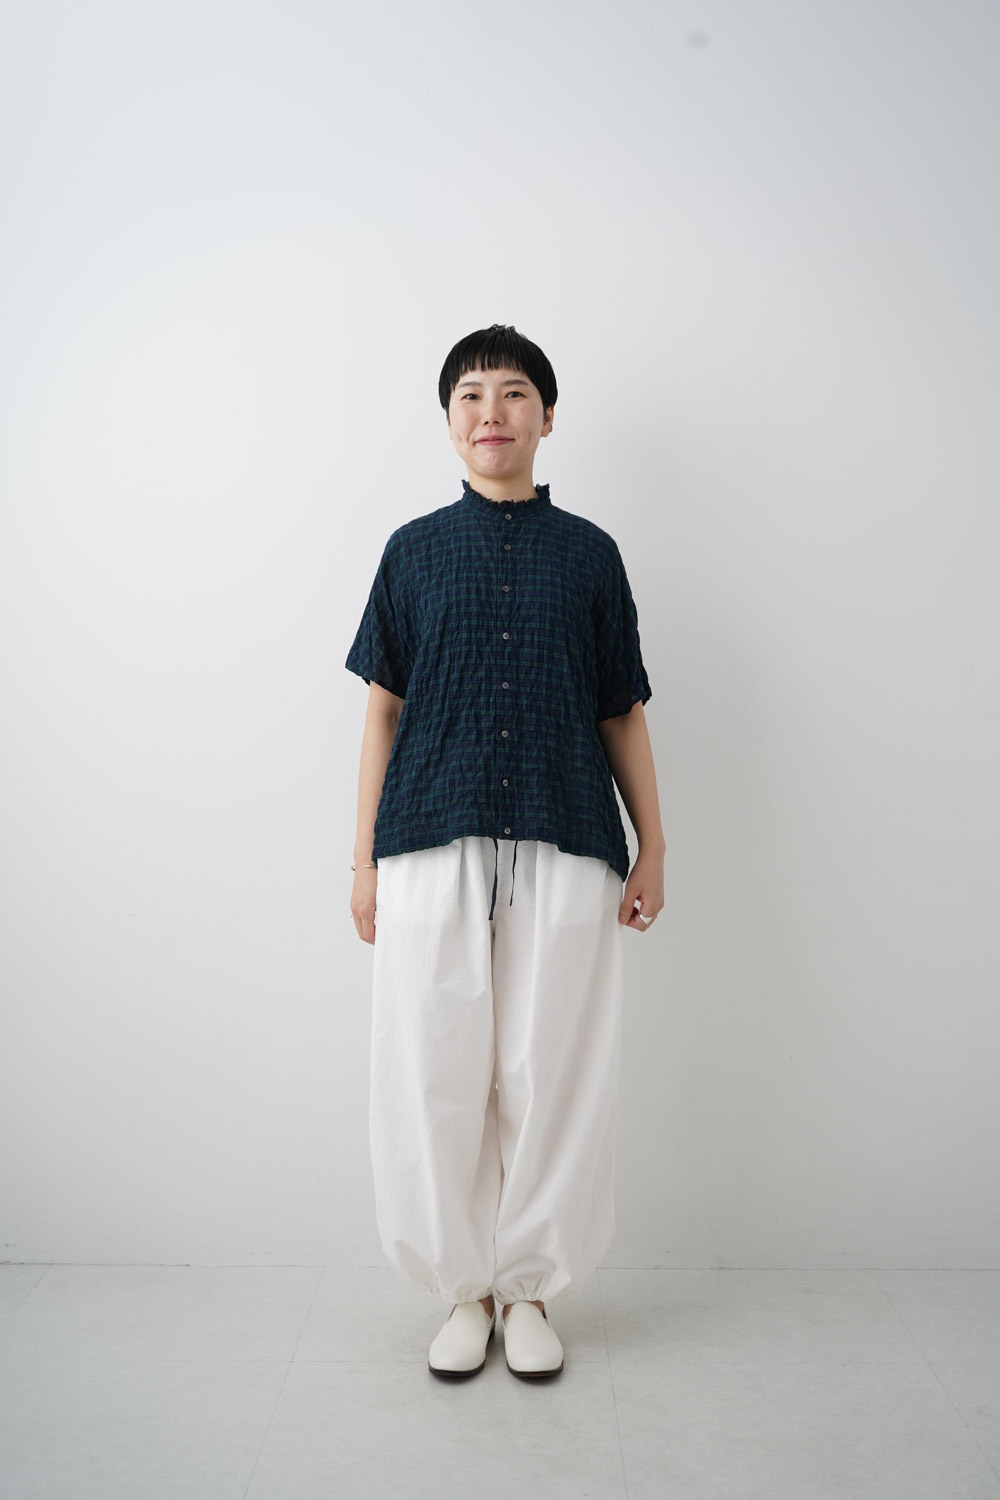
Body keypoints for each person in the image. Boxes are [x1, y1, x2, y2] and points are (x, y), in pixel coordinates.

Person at [346, 323, 664, 1380]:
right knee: (433, 1066)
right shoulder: (411, 550)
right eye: (472, 395)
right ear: (449, 422)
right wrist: (361, 862)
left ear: (548, 416)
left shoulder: (591, 555)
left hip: (568, 834)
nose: (493, 411)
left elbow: (620, 709)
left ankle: (528, 1291)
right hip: (427, 839)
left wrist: (653, 845)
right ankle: (463, 1290)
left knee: (550, 1068)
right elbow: (381, 712)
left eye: (515, 392)